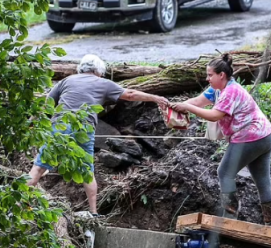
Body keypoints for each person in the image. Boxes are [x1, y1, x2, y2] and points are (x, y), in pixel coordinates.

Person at [27, 54, 169, 215]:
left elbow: (48, 104)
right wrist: (156, 98)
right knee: (87, 172)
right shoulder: (102, 83)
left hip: (60, 125)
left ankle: (20, 204)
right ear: (98, 71)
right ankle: (93, 212)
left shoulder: (67, 80)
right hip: (83, 128)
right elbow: (130, 94)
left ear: (81, 68)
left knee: (38, 167)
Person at [172, 54, 271, 226]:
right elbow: (198, 101)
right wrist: (176, 106)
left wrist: (187, 107)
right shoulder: (217, 89)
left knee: (224, 173)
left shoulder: (231, 91)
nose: (207, 79)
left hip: (251, 137)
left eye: (210, 75)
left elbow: (214, 115)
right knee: (262, 180)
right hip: (265, 134)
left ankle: (230, 219)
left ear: (221, 75)